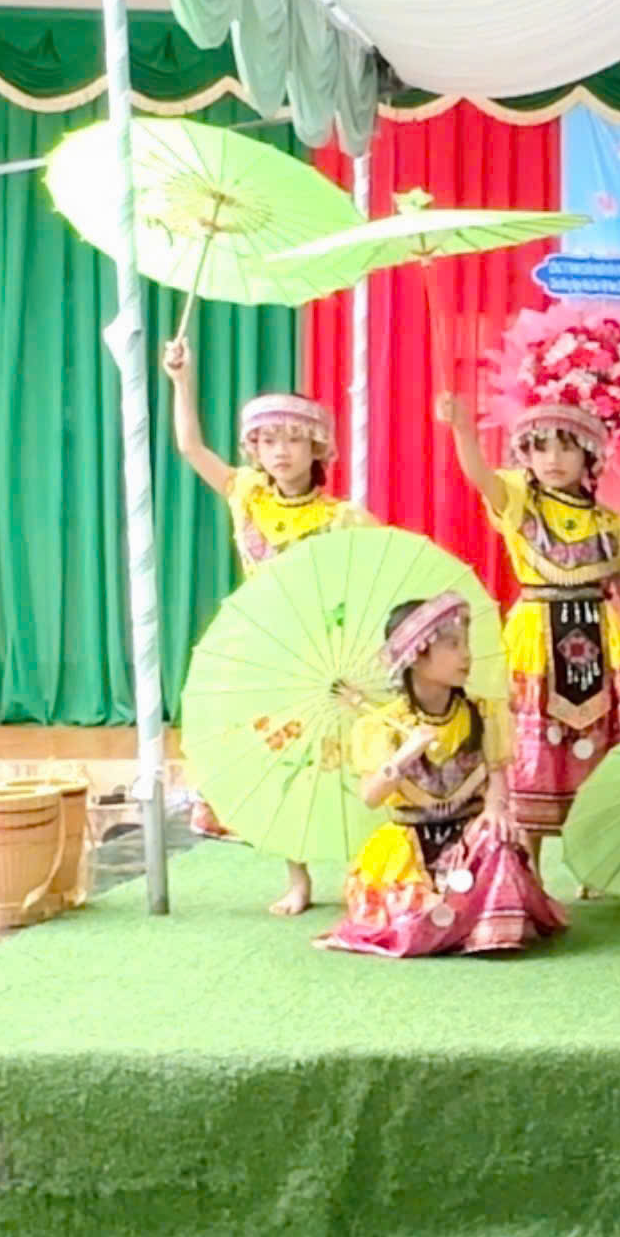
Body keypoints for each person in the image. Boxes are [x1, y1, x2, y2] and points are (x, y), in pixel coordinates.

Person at [163, 338, 371, 916]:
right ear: (253, 447)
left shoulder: (341, 518)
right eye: (268, 440)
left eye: (293, 439)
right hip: (264, 651)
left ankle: (363, 870)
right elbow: (190, 446)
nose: (280, 451)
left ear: (317, 447)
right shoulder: (248, 496)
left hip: (326, 654)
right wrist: (182, 380)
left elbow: (367, 581)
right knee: (285, 763)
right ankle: (296, 878)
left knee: (343, 762)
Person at [439, 393, 620, 866]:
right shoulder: (520, 504)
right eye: (540, 448)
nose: (552, 459)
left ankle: (595, 864)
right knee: (533, 753)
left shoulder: (611, 524)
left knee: (600, 751)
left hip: (602, 639)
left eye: (565, 447)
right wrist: (462, 429)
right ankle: (530, 867)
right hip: (536, 640)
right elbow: (478, 474)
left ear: (589, 456)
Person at [317, 594, 567, 957]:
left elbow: (496, 773)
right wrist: (404, 755)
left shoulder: (481, 712)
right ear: (417, 655)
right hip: (410, 842)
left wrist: (495, 809)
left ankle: (486, 930)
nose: (466, 655)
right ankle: (448, 923)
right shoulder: (381, 725)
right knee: (413, 916)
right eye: (452, 645)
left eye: (466, 644)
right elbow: (371, 796)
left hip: (468, 837)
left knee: (498, 840)